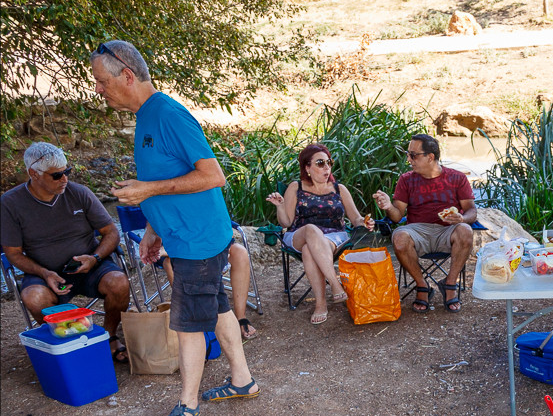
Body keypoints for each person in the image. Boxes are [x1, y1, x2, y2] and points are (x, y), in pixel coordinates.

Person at [91, 39, 259, 416]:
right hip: (185, 235)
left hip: (196, 241)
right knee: (218, 309)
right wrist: (153, 229)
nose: (98, 88)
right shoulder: (144, 116)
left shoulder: (168, 114)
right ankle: (242, 380)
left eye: (101, 81)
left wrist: (147, 192)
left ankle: (187, 404)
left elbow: (212, 176)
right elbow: (161, 177)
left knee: (187, 324)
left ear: (127, 76)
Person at [1, 142, 132, 362]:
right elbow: (13, 254)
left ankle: (109, 337)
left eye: (67, 172)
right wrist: (45, 274)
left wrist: (95, 258)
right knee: (33, 297)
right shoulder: (10, 203)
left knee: (119, 281)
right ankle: (71, 343)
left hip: (90, 266)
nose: (65, 179)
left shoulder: (79, 193)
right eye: (57, 175)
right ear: (34, 173)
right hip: (45, 272)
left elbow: (111, 232)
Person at [266, 142, 373, 325]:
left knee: (309, 250)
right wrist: (280, 206)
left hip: (334, 237)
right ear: (307, 167)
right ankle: (335, 283)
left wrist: (364, 221)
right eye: (320, 163)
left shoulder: (339, 189)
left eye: (329, 162)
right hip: (299, 234)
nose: (327, 167)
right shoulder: (296, 187)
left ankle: (321, 304)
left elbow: (355, 218)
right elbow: (286, 222)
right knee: (311, 230)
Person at [373, 134, 476, 314]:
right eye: (408, 154)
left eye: (413, 155)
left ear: (430, 157)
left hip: (448, 230)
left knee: (465, 230)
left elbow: (472, 212)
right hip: (418, 230)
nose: (409, 159)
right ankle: (423, 286)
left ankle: (450, 284)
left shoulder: (457, 178)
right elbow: (397, 217)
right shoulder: (407, 179)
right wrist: (389, 206)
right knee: (399, 236)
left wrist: (462, 219)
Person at [142, 236, 259, 339]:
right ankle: (195, 323)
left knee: (240, 252)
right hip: (174, 249)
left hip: (203, 242)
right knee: (170, 264)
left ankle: (241, 318)